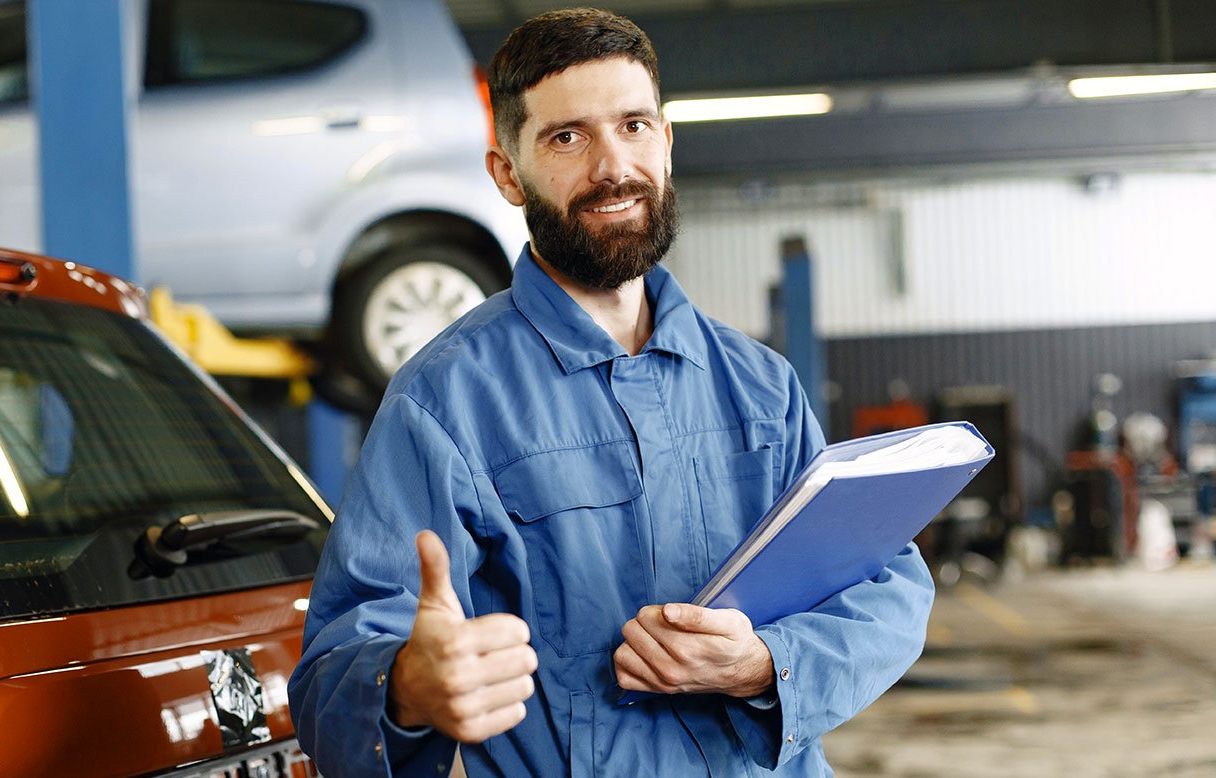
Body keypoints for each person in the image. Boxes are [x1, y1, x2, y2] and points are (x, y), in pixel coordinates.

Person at [289, 8, 934, 777]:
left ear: (665, 144)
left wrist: (769, 661)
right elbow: (330, 679)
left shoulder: (761, 386)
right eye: (567, 137)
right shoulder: (445, 403)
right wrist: (406, 688)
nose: (611, 167)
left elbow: (889, 585)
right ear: (507, 173)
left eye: (633, 126)